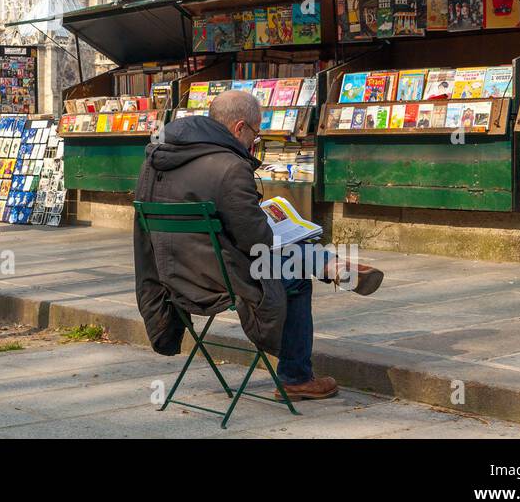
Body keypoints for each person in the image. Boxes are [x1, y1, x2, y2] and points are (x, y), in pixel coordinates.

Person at [134, 90, 383, 403]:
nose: (255, 141)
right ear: (240, 128)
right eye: (256, 133)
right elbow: (257, 243)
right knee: (295, 273)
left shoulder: (153, 162)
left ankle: (329, 264)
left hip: (172, 276)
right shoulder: (229, 167)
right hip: (220, 280)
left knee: (288, 254)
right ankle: (297, 377)